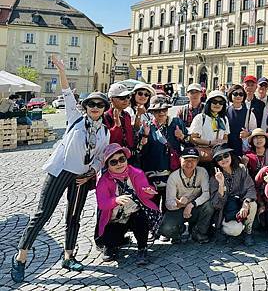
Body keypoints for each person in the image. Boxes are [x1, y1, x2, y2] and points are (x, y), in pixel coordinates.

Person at [11, 55, 110, 282]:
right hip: (61, 171)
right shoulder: (75, 117)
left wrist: (91, 172)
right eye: (92, 104)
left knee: (73, 216)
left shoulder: (104, 132)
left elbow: (100, 158)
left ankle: (69, 256)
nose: (95, 108)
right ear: (85, 107)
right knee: (42, 214)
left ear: (104, 109)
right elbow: (66, 91)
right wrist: (62, 70)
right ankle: (21, 257)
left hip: (80, 177)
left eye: (100, 105)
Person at [96, 144, 158, 265]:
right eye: (113, 162)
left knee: (141, 218)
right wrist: (115, 201)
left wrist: (149, 191)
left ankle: (142, 248)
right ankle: (113, 245)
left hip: (133, 213)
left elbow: (144, 194)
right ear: (107, 165)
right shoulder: (104, 180)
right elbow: (102, 204)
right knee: (109, 238)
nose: (119, 164)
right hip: (115, 219)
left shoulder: (136, 173)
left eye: (122, 159)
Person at [138, 95, 189, 211]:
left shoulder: (176, 123)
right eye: (157, 111)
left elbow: (188, 145)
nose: (161, 113)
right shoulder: (147, 127)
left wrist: (182, 136)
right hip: (152, 176)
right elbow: (140, 152)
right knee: (152, 208)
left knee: (170, 208)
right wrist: (144, 137)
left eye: (164, 110)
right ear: (152, 112)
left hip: (172, 174)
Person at [160, 147, 213, 244]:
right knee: (166, 229)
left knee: (209, 206)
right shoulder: (173, 177)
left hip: (195, 207)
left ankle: (198, 232)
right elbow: (168, 203)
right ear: (180, 159)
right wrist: (178, 204)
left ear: (197, 161)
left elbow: (206, 194)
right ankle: (179, 230)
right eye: (186, 160)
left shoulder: (202, 172)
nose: (189, 163)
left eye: (193, 160)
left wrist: (191, 204)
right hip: (178, 209)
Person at [210, 145, 258, 246]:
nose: (224, 159)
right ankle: (222, 231)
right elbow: (217, 205)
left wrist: (245, 203)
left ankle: (248, 233)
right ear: (216, 162)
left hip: (240, 205)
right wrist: (221, 184)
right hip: (225, 212)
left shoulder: (241, 169)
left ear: (231, 155)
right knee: (235, 230)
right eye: (219, 158)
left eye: (226, 155)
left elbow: (250, 187)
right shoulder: (214, 178)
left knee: (252, 204)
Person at [226, 84, 257, 156]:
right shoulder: (225, 111)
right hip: (227, 147)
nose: (238, 96)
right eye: (235, 94)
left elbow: (255, 131)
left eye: (241, 94)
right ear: (231, 95)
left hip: (242, 148)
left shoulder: (249, 113)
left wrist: (248, 134)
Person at [104, 82, 135, 149]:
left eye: (128, 97)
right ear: (111, 99)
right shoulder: (106, 116)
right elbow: (107, 140)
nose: (126, 100)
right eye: (122, 98)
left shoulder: (127, 115)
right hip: (114, 155)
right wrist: (116, 126)